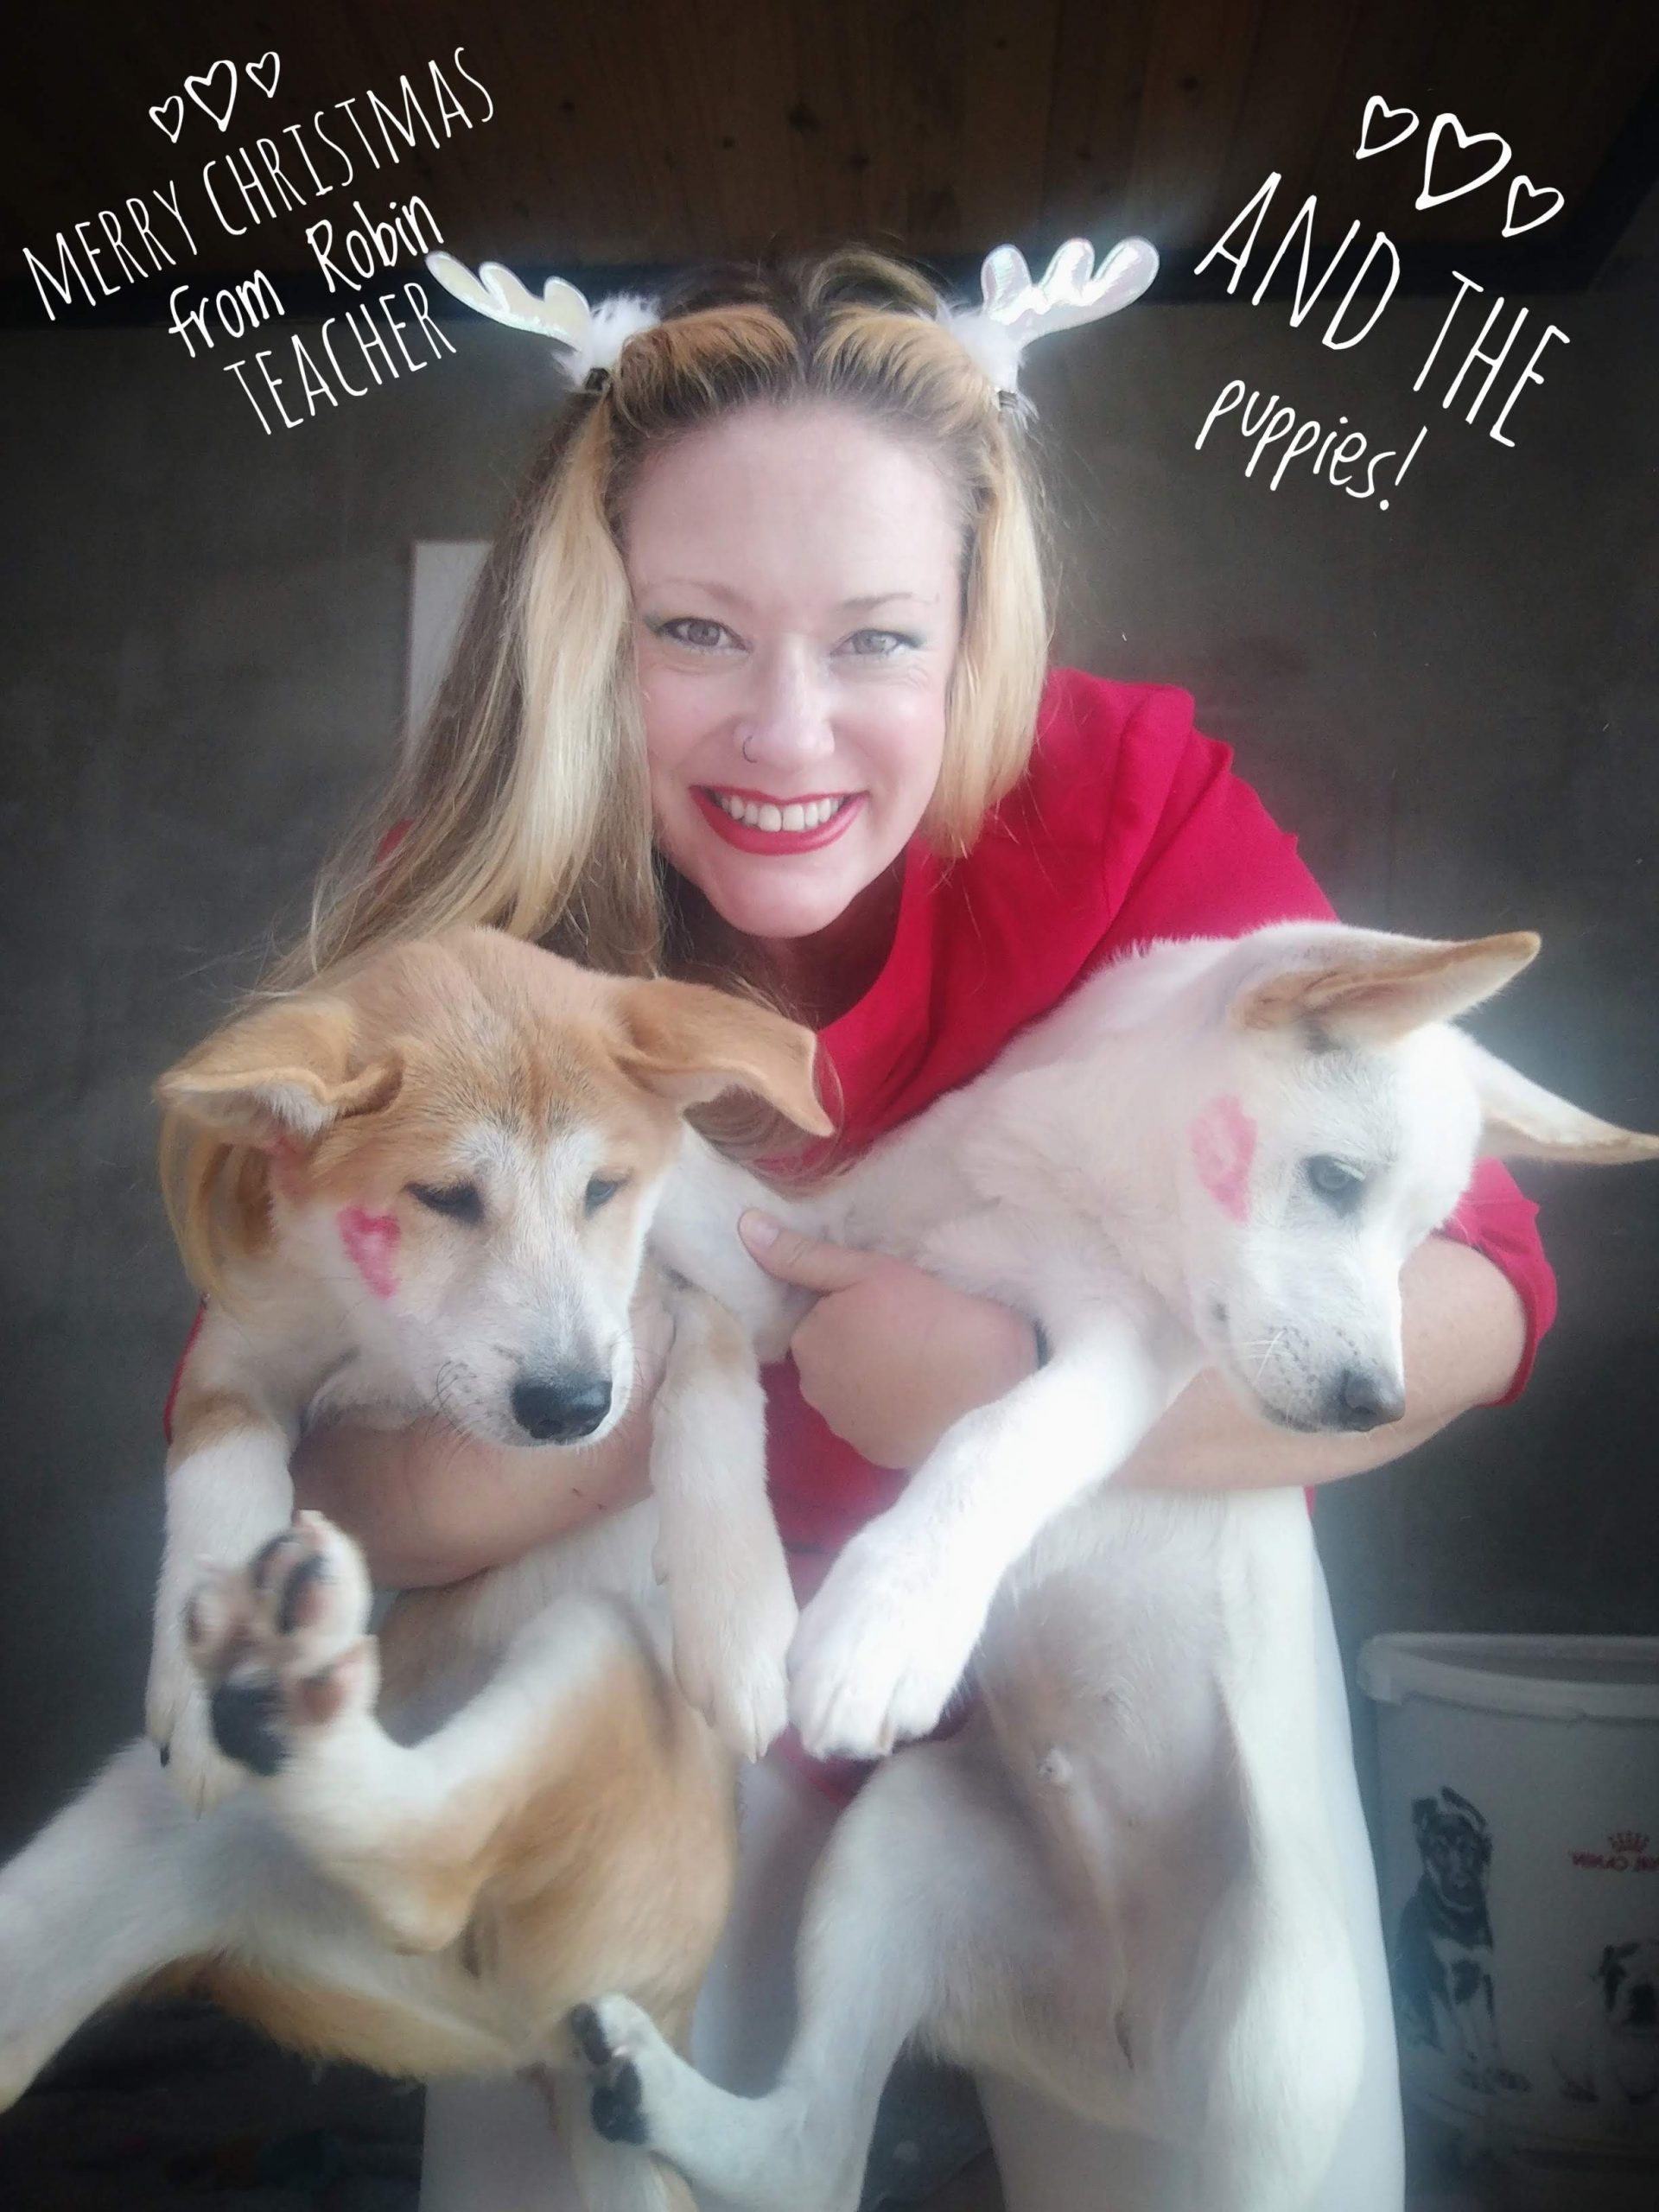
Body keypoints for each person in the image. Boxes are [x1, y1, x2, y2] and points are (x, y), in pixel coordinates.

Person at [245, 246, 1552, 2209]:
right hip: (676, 1656)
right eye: (696, 631)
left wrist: (993, 1392)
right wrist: (661, 1416)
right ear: (591, 625)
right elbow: (303, 1464)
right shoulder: (479, 886)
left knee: (1253, 2144)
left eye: (876, 639)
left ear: (974, 626)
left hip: (1094, 1654)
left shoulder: (1121, 796)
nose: (789, 736)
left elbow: (1477, 1297)